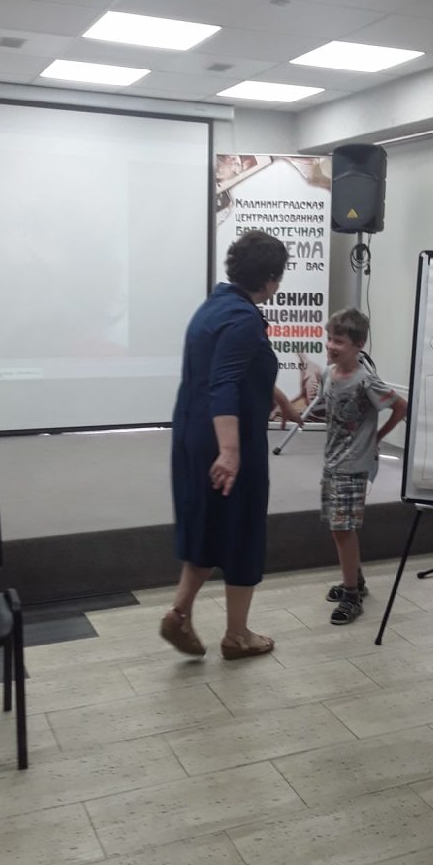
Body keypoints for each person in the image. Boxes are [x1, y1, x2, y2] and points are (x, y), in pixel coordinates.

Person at [161, 230, 301, 660]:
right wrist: (231, 451)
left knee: (209, 525)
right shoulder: (244, 319)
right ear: (271, 279)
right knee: (242, 531)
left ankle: (179, 613)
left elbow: (234, 368)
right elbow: (223, 383)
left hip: (193, 434)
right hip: (230, 439)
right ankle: (237, 635)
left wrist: (278, 398)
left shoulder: (216, 306)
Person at [319, 308, 408, 625]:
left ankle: (352, 595)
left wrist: (377, 438)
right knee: (338, 527)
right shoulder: (329, 375)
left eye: (339, 341)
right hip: (332, 462)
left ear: (359, 345)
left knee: (342, 529)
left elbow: (401, 407)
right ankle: (354, 579)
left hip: (353, 465)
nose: (331, 346)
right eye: (330, 339)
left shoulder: (365, 380)